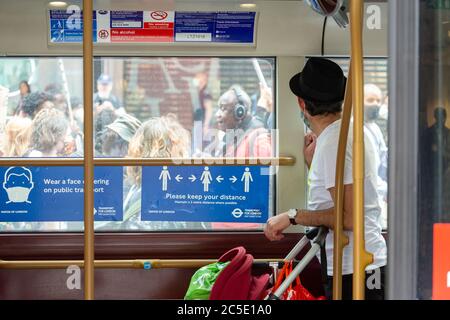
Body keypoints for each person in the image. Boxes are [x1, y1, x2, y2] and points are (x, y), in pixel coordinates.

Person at [264, 57, 387, 300]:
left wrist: (292, 216)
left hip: (355, 268)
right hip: (360, 264)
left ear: (302, 103)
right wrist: (313, 164)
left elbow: (350, 217)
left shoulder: (334, 143)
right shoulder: (350, 133)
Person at [204, 85, 272, 158]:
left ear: (239, 112)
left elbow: (263, 169)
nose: (217, 114)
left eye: (223, 109)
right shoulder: (232, 138)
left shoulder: (258, 140)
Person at [364, 84, 388, 229]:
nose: (376, 105)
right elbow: (369, 171)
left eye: (378, 100)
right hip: (369, 199)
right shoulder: (355, 130)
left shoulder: (374, 127)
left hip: (379, 196)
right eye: (371, 100)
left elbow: (382, 161)